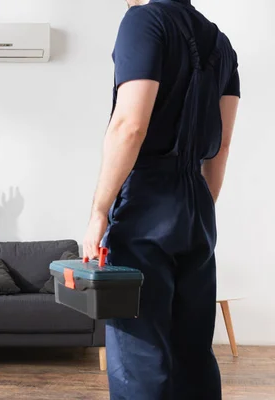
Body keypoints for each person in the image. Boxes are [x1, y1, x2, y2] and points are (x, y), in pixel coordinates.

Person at [82, 1, 240, 399]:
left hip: (146, 199)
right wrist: (199, 212)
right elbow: (220, 146)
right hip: (197, 203)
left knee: (140, 353)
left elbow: (129, 125)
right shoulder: (221, 44)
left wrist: (99, 211)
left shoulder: (144, 21)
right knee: (192, 353)